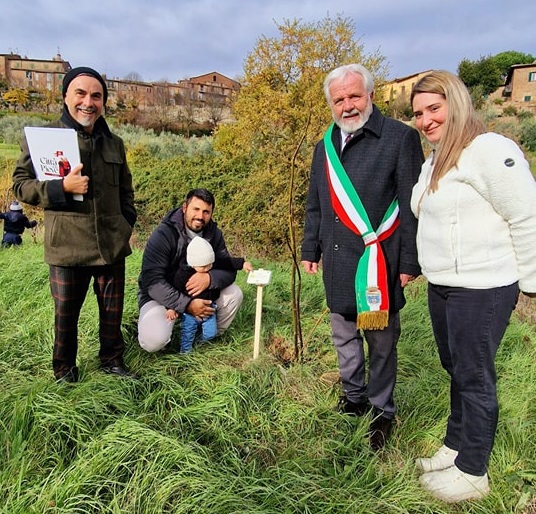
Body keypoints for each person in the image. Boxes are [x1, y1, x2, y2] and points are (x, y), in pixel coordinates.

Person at [410, 70, 536, 502]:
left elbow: (526, 214)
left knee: (474, 374)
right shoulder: (434, 160)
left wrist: (533, 284)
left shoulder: (489, 150)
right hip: (444, 284)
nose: (425, 120)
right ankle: (455, 445)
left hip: (482, 287)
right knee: (455, 368)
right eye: (418, 113)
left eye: (433, 109)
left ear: (457, 104)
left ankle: (473, 472)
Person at [301, 64, 424, 450]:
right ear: (331, 105)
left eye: (354, 96)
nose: (347, 106)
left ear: (371, 96)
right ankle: (354, 398)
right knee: (344, 337)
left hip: (378, 262)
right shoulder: (324, 146)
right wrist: (310, 248)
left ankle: (382, 410)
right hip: (338, 261)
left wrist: (408, 263)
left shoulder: (400, 138)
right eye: (339, 100)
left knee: (382, 343)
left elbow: (412, 205)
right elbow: (316, 205)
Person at [12, 66, 138, 383]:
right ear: (66, 96)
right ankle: (65, 371)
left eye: (96, 95)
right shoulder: (43, 138)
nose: (88, 102)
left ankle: (112, 362)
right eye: (80, 93)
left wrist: (126, 223)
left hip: (111, 244)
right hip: (66, 245)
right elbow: (20, 186)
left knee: (112, 313)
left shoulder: (115, 144)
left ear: (103, 102)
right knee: (65, 316)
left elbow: (126, 191)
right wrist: (61, 188)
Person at [137, 188, 246, 352]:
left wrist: (209, 278)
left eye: (206, 212)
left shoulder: (214, 234)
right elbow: (152, 282)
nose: (200, 216)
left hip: (203, 295)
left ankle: (206, 337)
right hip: (162, 299)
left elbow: (228, 269)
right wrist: (186, 304)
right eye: (196, 209)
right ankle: (169, 337)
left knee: (234, 293)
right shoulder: (163, 234)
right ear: (185, 208)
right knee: (153, 341)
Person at [167, 236, 253, 353]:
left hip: (209, 310)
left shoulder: (210, 263)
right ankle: (185, 354)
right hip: (189, 313)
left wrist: (242, 264)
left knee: (211, 333)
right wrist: (171, 308)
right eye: (203, 267)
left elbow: (227, 262)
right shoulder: (182, 275)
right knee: (187, 334)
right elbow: (175, 290)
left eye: (210, 265)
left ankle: (199, 344)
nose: (208, 268)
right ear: (192, 263)